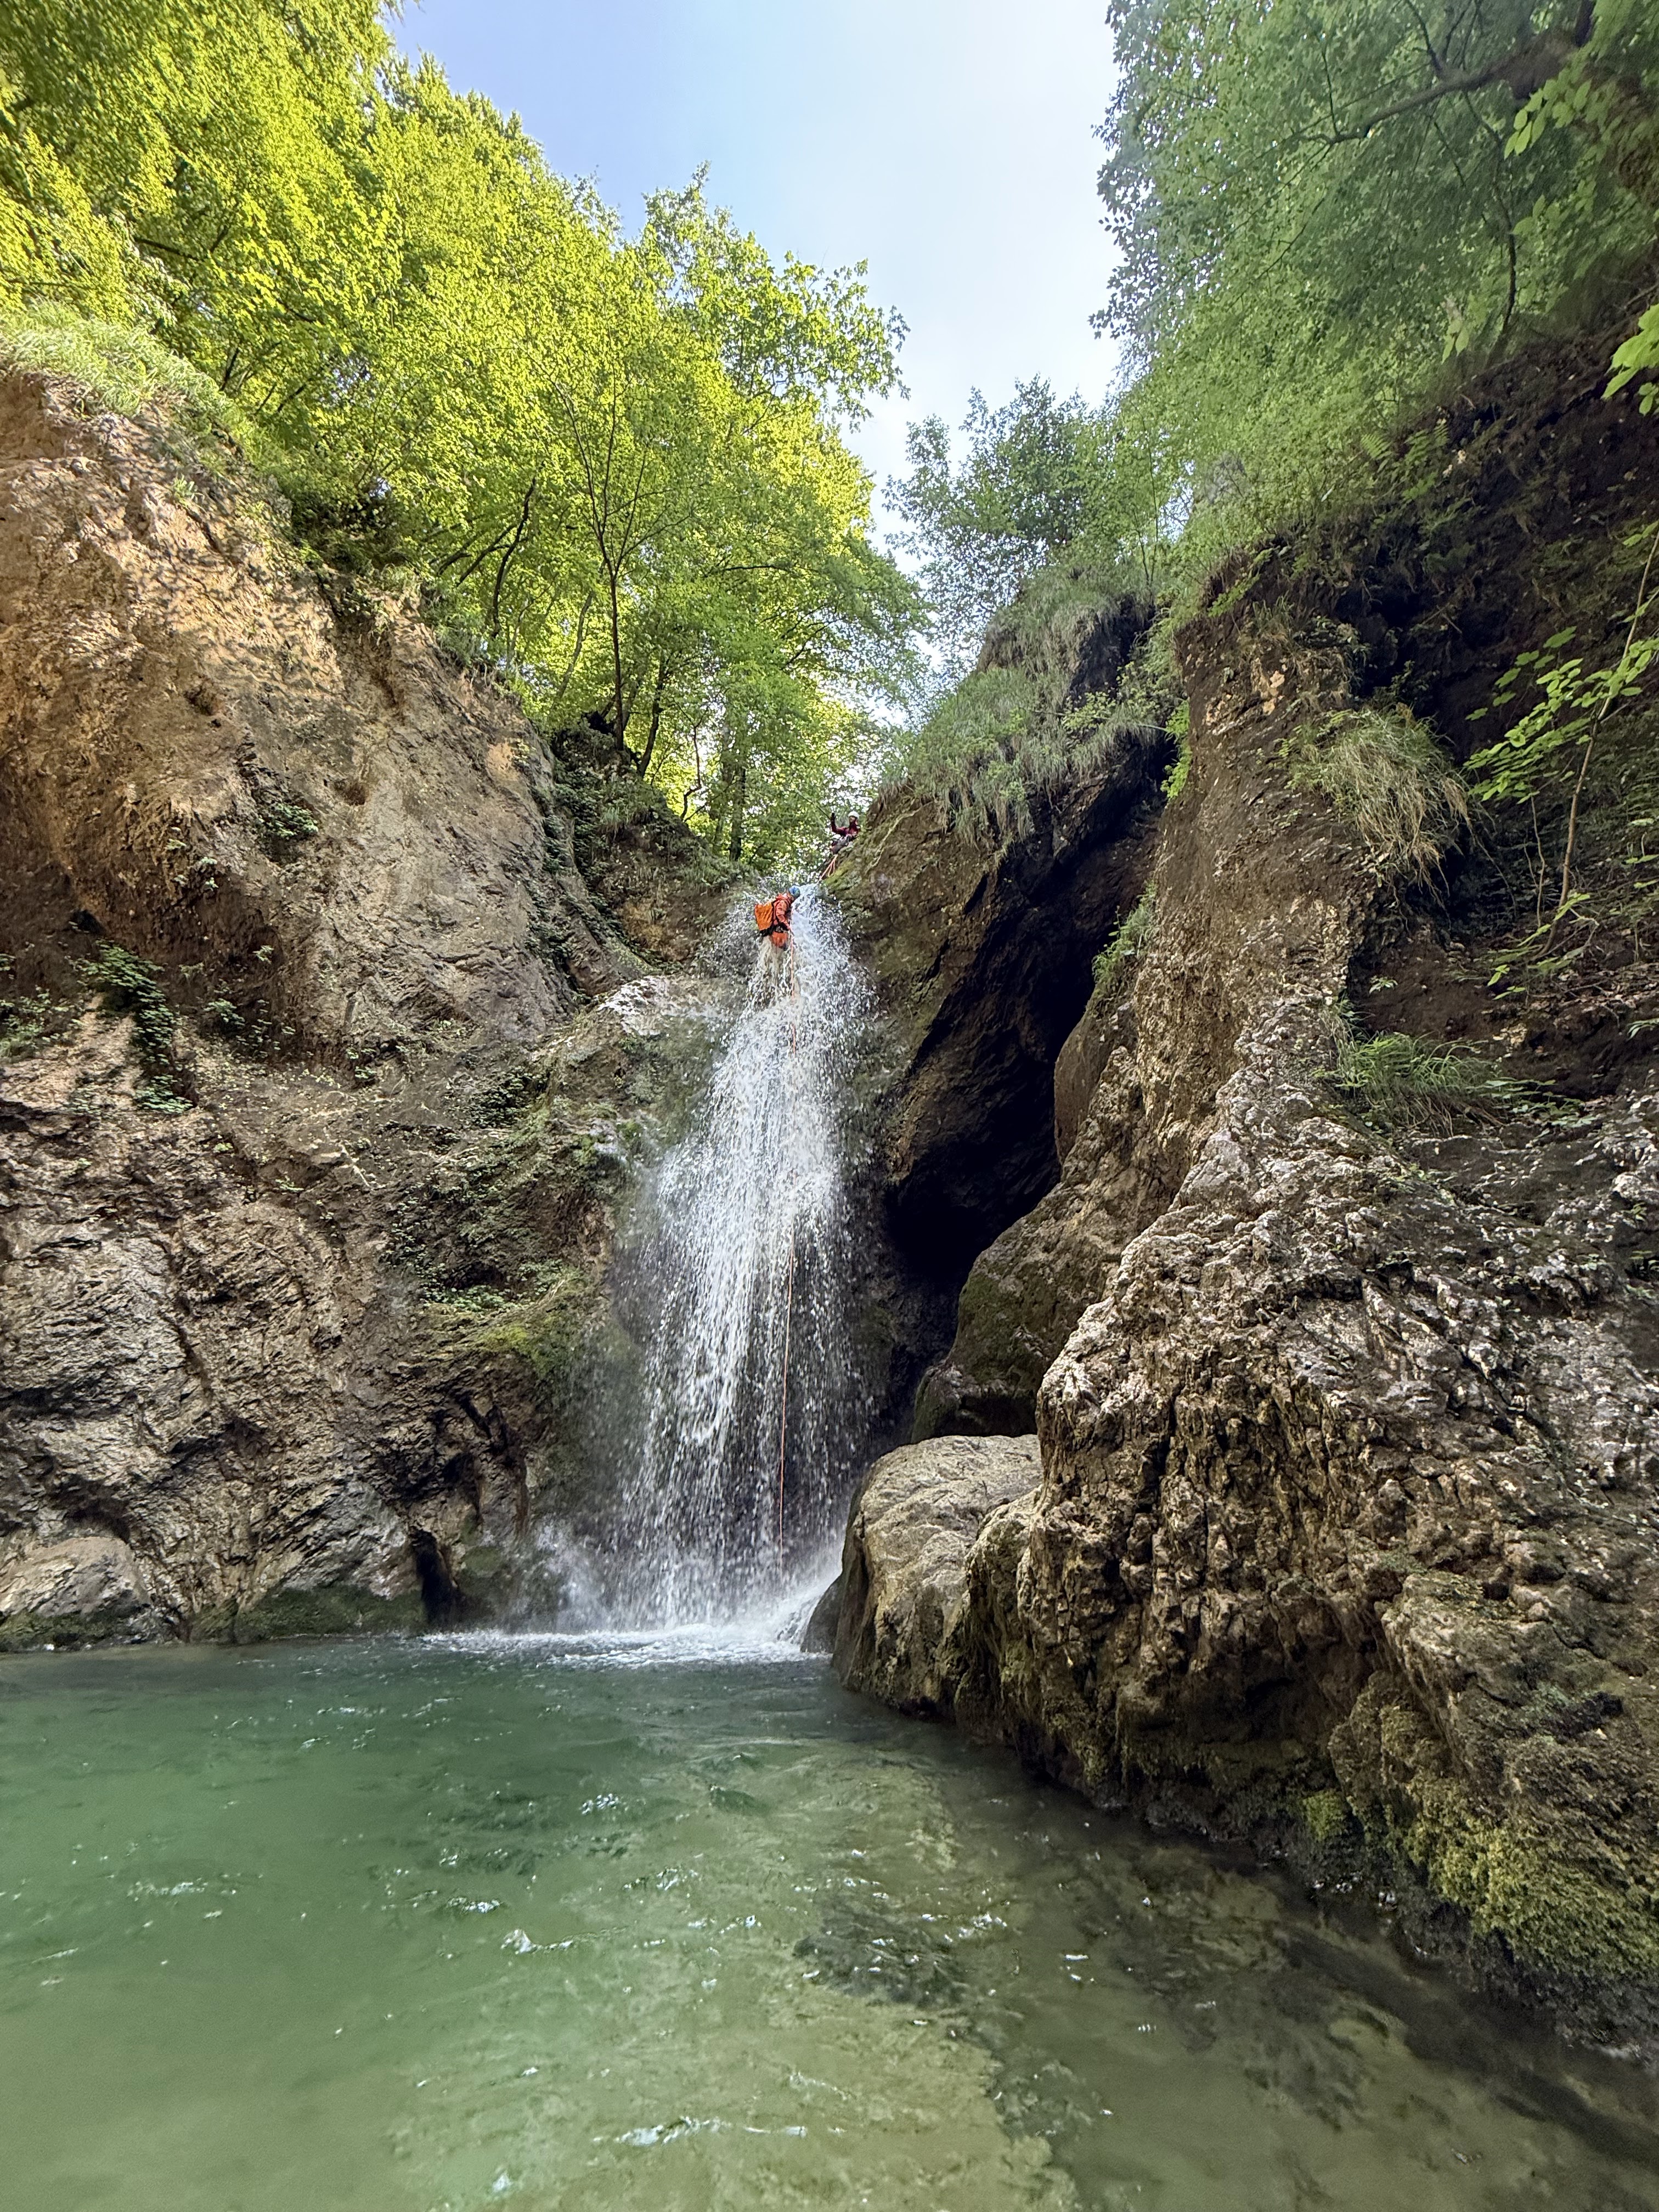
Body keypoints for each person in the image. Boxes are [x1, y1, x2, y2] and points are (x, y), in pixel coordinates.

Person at [754, 887, 797, 973]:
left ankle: (772, 970)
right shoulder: (784, 902)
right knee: (784, 948)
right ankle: (775, 971)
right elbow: (780, 915)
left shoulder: (784, 901)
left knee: (778, 951)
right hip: (775, 931)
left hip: (774, 930)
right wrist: (788, 927)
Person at [825, 811, 860, 878]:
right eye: (850, 817)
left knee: (848, 837)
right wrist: (833, 822)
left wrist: (851, 836)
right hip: (843, 845)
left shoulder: (858, 829)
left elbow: (856, 836)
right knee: (835, 841)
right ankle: (835, 850)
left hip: (850, 845)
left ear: (856, 819)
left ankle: (837, 849)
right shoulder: (846, 830)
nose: (851, 818)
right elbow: (835, 830)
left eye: (853, 817)